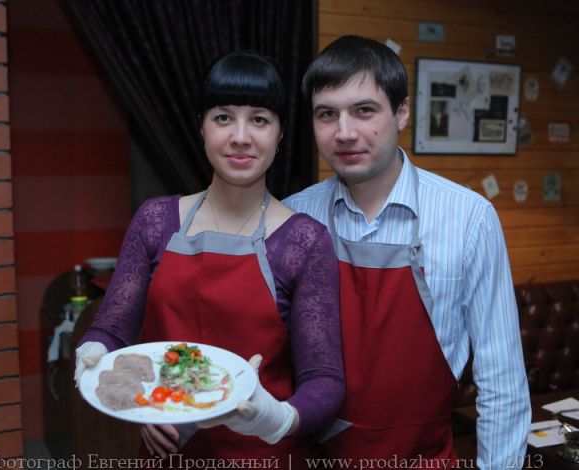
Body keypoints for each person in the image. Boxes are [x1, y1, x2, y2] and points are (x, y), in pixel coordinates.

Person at [73, 50, 344, 466]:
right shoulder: (155, 221)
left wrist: (277, 417)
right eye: (223, 117)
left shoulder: (304, 240)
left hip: (264, 457)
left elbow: (324, 380)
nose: (241, 137)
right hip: (166, 455)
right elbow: (113, 331)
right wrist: (121, 381)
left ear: (280, 134)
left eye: (259, 119)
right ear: (202, 126)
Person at [283, 35, 531, 469]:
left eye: (364, 110)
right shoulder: (293, 218)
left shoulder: (469, 218)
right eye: (327, 114)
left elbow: (502, 379)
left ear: (401, 112)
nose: (344, 132)